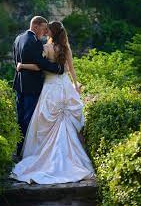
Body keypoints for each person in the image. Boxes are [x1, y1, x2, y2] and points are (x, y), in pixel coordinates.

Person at [10, 21, 95, 184]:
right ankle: (70, 156)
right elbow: (71, 69)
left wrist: (21, 65)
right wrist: (76, 84)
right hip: (64, 86)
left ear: (52, 32)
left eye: (48, 29)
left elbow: (39, 67)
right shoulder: (65, 48)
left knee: (44, 122)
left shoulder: (46, 48)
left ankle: (39, 154)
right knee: (66, 121)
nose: (46, 31)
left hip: (49, 88)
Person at [13, 16, 64, 157]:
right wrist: (58, 69)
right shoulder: (34, 42)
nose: (45, 31)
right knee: (29, 118)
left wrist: (22, 67)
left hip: (19, 85)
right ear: (35, 26)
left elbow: (15, 61)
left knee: (21, 117)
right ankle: (26, 152)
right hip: (32, 86)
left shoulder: (18, 38)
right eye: (43, 27)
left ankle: (19, 149)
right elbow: (40, 63)